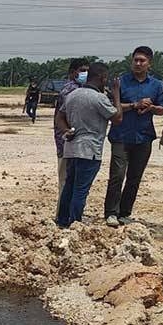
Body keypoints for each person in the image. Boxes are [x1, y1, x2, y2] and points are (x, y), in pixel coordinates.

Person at [104, 46, 163, 227]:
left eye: (142, 61)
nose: (138, 63)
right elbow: (111, 108)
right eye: (136, 60)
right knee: (117, 175)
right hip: (121, 136)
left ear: (149, 63)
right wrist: (134, 105)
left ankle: (125, 212)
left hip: (144, 137)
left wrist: (151, 108)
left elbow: (162, 109)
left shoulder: (156, 85)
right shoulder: (120, 82)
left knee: (134, 177)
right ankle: (111, 212)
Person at [54, 62, 122, 228]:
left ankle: (62, 221)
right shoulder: (99, 98)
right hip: (90, 150)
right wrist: (116, 94)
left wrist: (65, 131)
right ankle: (75, 223)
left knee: (69, 186)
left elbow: (59, 117)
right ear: (102, 78)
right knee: (80, 189)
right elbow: (117, 118)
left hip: (71, 148)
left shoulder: (73, 94)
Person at [54, 59, 90, 196]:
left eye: (87, 70)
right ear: (72, 72)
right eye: (82, 70)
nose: (85, 73)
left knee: (72, 181)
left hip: (74, 142)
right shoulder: (70, 90)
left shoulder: (81, 89)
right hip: (67, 142)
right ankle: (63, 215)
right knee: (66, 181)